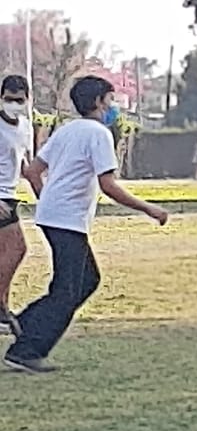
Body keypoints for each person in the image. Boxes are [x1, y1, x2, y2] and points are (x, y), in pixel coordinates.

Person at [4, 76, 168, 374]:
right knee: (67, 289)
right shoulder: (99, 134)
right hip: (66, 219)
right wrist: (148, 208)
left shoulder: (67, 130)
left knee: (87, 280)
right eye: (110, 100)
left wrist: (49, 200)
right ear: (98, 102)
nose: (113, 107)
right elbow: (108, 185)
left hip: (55, 215)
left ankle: (26, 325)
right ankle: (26, 350)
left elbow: (33, 171)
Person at [0, 75, 34, 335]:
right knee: (17, 249)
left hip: (11, 195)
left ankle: (3, 309)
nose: (14, 105)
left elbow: (23, 163)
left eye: (19, 100)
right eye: (9, 99)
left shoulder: (25, 127)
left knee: (5, 257)